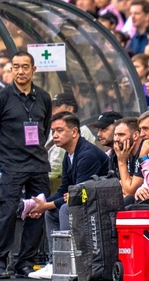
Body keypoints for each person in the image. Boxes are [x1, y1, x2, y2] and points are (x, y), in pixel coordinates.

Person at [0, 51, 52, 279]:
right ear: (11, 69)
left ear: (33, 70)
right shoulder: (1, 97)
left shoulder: (43, 97)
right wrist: (6, 155)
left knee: (38, 212)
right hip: (12, 165)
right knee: (6, 212)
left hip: (38, 164)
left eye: (25, 66)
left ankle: (25, 262)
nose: (20, 71)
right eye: (16, 66)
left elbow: (45, 128)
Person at [25, 112, 109, 280]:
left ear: (74, 132)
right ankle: (55, 262)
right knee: (52, 212)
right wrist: (41, 205)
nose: (55, 135)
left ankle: (69, 262)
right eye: (53, 131)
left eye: (60, 130)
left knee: (65, 209)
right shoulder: (68, 155)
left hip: (98, 204)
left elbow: (76, 195)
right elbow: (63, 189)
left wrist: (45, 206)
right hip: (83, 201)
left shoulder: (87, 154)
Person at [112, 117, 145, 196]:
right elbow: (124, 183)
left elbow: (130, 191)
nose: (116, 139)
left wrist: (121, 162)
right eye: (115, 135)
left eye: (121, 134)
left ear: (135, 135)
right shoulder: (127, 151)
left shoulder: (144, 153)